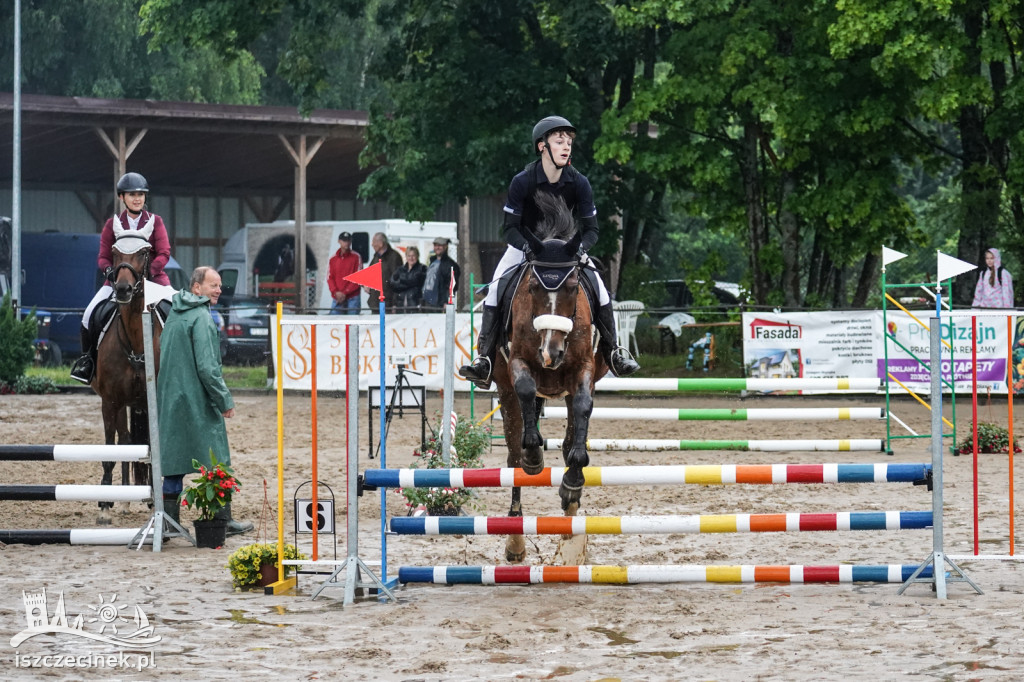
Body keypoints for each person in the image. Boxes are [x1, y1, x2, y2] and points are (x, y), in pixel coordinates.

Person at [459, 116, 639, 387]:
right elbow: (509, 229)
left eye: (569, 142)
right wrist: (529, 248)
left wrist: (577, 249)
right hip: (527, 247)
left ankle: (614, 352)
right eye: (559, 141)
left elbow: (592, 231)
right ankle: (484, 359)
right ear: (542, 146)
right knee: (495, 291)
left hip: (567, 251)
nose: (566, 146)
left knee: (600, 289)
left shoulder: (579, 182)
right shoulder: (523, 181)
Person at [156, 266, 252, 535]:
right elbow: (208, 368)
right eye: (213, 285)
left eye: (220, 285)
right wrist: (224, 400)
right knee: (217, 459)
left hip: (170, 398)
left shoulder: (174, 313)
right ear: (196, 288)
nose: (219, 290)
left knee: (173, 464)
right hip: (197, 399)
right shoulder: (200, 316)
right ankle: (223, 521)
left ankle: (169, 523)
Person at [70, 172, 173, 383]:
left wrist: (150, 271)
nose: (137, 198)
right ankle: (87, 361)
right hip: (119, 282)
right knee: (89, 315)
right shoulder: (112, 225)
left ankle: (182, 364)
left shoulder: (156, 222)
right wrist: (109, 272)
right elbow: (103, 257)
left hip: (153, 280)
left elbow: (164, 252)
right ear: (121, 197)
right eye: (132, 194)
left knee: (177, 311)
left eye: (141, 194)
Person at [366, 232, 403, 313]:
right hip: (375, 302)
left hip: (388, 303)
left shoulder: (394, 257)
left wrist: (395, 303)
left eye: (374, 242)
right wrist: (365, 284)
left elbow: (397, 281)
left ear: (381, 243)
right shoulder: (376, 257)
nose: (372, 244)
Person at [327, 232, 362, 314]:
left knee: (352, 324)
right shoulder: (333, 259)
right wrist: (336, 292)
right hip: (338, 296)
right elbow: (329, 277)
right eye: (344, 241)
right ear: (339, 241)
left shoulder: (356, 257)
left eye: (348, 241)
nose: (346, 243)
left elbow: (358, 278)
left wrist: (344, 293)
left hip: (352, 297)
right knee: (336, 324)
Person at [422, 237, 461, 309]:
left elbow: (452, 286)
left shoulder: (450, 265)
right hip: (427, 301)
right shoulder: (432, 261)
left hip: (439, 302)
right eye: (435, 245)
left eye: (440, 245)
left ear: (445, 246)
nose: (437, 247)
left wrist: (446, 301)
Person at [389, 245, 428, 310]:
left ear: (417, 256)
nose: (411, 258)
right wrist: (394, 304)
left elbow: (415, 281)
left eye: (413, 255)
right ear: (406, 257)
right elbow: (392, 283)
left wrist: (400, 281)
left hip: (416, 304)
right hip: (400, 305)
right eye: (409, 256)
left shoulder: (423, 268)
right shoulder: (400, 269)